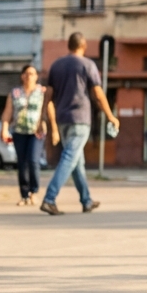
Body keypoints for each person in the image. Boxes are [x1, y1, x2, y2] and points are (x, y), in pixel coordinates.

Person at [41, 32, 120, 215]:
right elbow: (98, 94)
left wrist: (46, 118)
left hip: (62, 119)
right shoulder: (87, 65)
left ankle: (86, 200)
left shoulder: (56, 65)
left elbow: (48, 95)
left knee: (77, 161)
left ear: (69, 45)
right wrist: (111, 116)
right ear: (83, 46)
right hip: (80, 119)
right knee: (69, 158)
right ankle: (49, 198)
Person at [0, 64, 55, 206]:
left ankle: (34, 191)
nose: (30, 76)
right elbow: (8, 112)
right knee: (22, 163)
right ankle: (24, 195)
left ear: (37, 76)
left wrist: (54, 130)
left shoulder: (42, 91)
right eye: (27, 73)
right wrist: (4, 128)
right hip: (19, 131)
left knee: (33, 160)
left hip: (37, 132)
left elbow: (50, 111)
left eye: (33, 73)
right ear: (22, 76)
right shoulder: (15, 93)